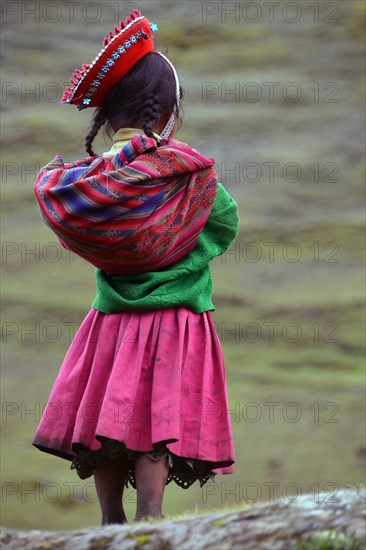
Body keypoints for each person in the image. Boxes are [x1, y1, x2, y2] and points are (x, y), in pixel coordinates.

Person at [32, 10, 239, 525]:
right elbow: (224, 223)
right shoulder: (187, 172)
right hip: (175, 320)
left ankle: (109, 517)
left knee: (109, 412)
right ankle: (150, 514)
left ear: (111, 113)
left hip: (111, 319)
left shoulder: (93, 180)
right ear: (170, 108)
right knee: (154, 417)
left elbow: (81, 228)